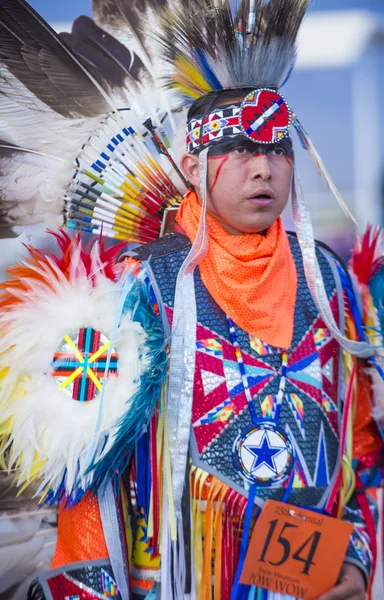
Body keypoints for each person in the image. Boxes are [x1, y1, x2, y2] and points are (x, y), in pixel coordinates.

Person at [0, 1, 383, 600]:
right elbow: (86, 486)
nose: (263, 167)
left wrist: (355, 569)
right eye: (239, 147)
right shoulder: (136, 291)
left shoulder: (331, 288)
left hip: (309, 584)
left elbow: (362, 451)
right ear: (192, 165)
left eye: (278, 148)